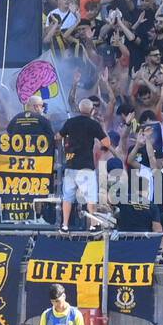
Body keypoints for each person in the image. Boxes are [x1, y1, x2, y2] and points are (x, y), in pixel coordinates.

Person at [59, 99, 110, 231]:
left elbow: (58, 136)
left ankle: (64, 225)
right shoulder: (93, 124)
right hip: (86, 166)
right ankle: (93, 225)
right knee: (90, 198)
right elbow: (106, 143)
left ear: (79, 109)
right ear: (92, 110)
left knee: (67, 197)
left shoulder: (70, 122)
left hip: (70, 165)